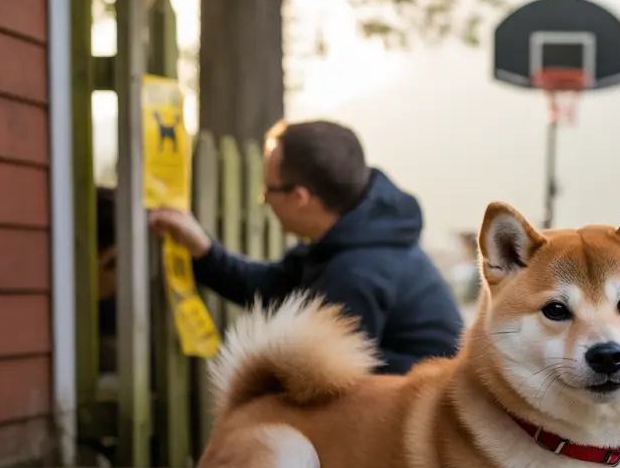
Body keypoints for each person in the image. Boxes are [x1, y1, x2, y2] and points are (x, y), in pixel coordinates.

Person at [148, 119, 463, 375]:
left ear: (300, 197)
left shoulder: (355, 274)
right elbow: (273, 287)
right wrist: (202, 250)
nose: (264, 199)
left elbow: (333, 386)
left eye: (268, 189)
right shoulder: (351, 234)